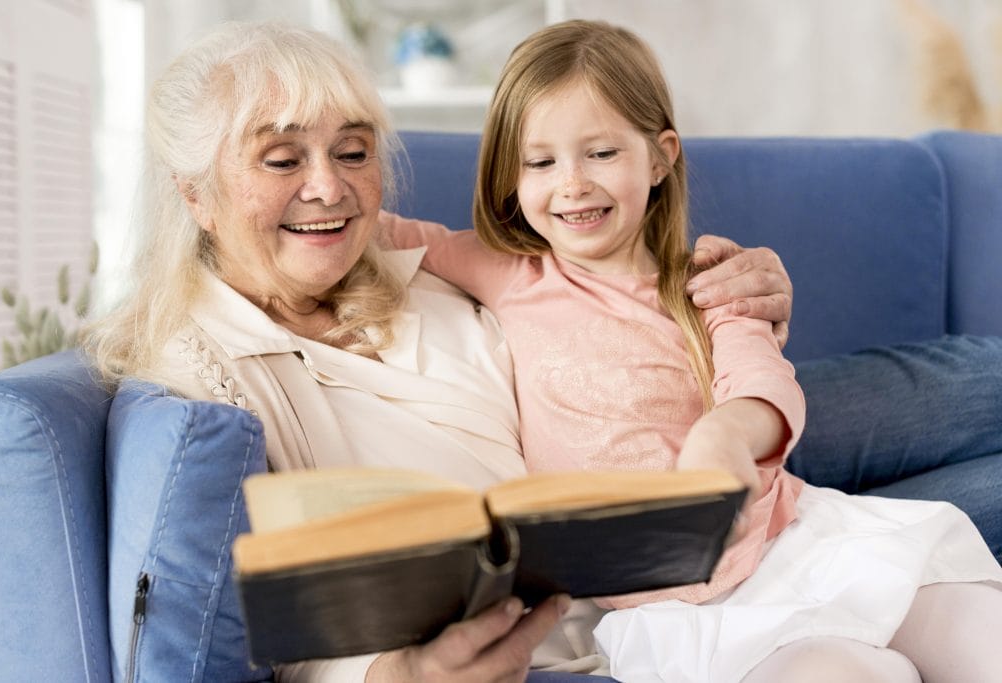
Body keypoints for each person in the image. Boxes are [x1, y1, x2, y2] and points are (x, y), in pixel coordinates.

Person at [82, 20, 802, 683]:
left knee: (869, 413)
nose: (329, 186)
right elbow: (273, 624)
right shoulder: (206, 372)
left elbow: (650, 356)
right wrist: (397, 674)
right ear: (196, 195)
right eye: (280, 159)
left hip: (711, 461)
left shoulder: (425, 273)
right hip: (603, 628)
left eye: (354, 153)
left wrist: (747, 301)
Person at [382, 19, 1002, 683]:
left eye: (601, 153)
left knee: (976, 627)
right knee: (850, 673)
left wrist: (725, 436)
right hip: (678, 609)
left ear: (660, 157)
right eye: (540, 162)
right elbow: (374, 230)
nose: (572, 182)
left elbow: (762, 381)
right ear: (511, 176)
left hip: (795, 543)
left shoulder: (706, 280)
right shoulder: (506, 271)